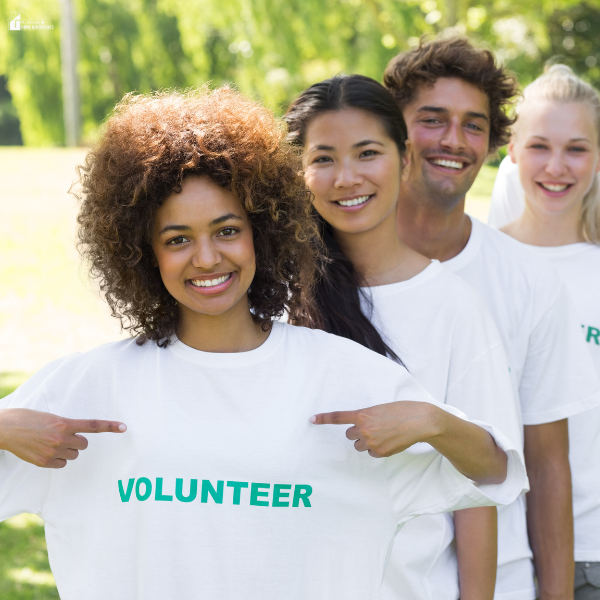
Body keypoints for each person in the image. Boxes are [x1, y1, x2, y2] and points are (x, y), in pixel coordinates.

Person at [0, 86, 526, 600]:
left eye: (227, 230)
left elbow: (498, 473)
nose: (206, 258)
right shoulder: (88, 389)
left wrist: (435, 422)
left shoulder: (342, 374)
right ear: (142, 253)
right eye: (177, 239)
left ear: (264, 231)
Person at [284, 73, 523, 600]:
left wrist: (430, 422)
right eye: (323, 158)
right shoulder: (270, 299)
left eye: (368, 153)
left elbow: (490, 474)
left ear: (406, 159)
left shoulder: (455, 308)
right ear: (298, 173)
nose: (346, 177)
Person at [380, 37, 600, 600]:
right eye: (432, 120)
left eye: (473, 125)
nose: (453, 140)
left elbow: (549, 466)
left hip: (504, 583)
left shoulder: (528, 280)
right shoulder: (334, 268)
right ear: (394, 130)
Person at [491, 65, 600, 600]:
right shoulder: (479, 266)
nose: (557, 167)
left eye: (576, 149)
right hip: (507, 552)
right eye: (540, 146)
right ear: (511, 149)